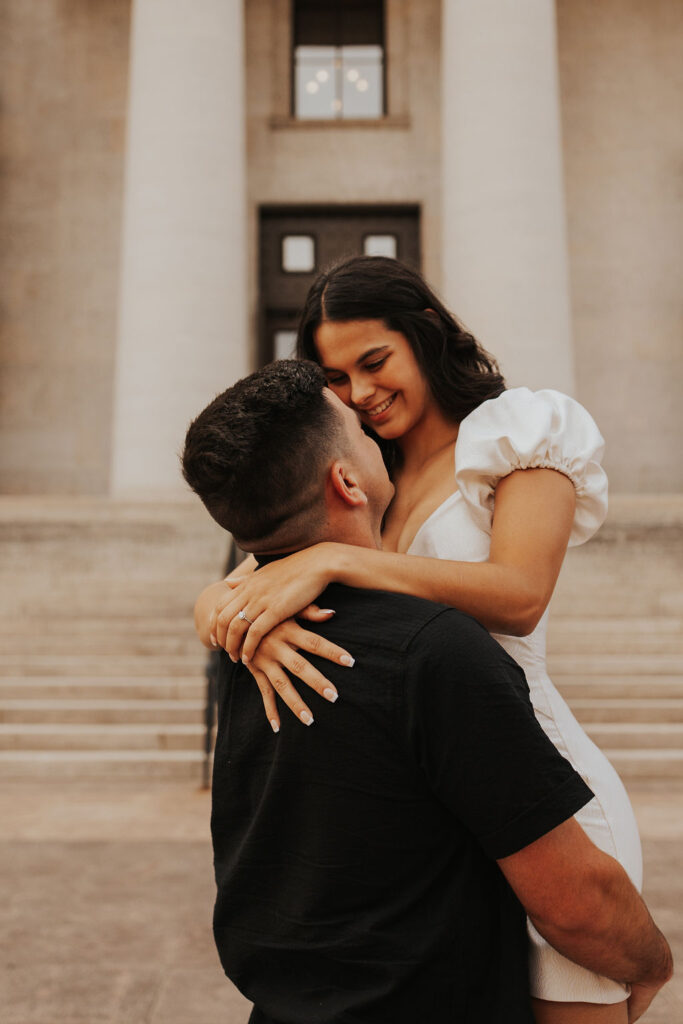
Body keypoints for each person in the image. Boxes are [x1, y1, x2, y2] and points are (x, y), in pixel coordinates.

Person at [194, 257, 644, 1019]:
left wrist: (337, 558)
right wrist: (224, 616)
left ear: (426, 332)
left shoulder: (518, 432)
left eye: (374, 361)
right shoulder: (366, 467)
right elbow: (242, 584)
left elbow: (520, 594)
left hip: (545, 792)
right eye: (337, 379)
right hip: (444, 810)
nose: (362, 393)